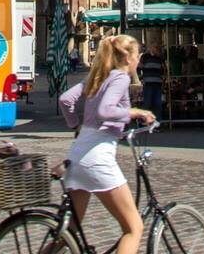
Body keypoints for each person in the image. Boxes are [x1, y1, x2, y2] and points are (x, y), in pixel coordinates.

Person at [58, 34, 156, 254]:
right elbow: (105, 110)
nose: (138, 59)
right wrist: (136, 112)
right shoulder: (120, 77)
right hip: (97, 157)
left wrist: (76, 126)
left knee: (70, 233)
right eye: (137, 55)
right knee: (133, 228)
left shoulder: (96, 76)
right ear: (129, 58)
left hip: (77, 155)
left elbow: (65, 99)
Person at [138, 43, 164, 110]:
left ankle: (157, 120)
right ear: (150, 47)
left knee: (158, 104)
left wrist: (162, 79)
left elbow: (163, 69)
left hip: (158, 83)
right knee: (147, 103)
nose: (156, 49)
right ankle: (144, 119)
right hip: (148, 83)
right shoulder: (145, 56)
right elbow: (139, 68)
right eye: (155, 47)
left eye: (157, 47)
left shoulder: (159, 58)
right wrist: (141, 79)